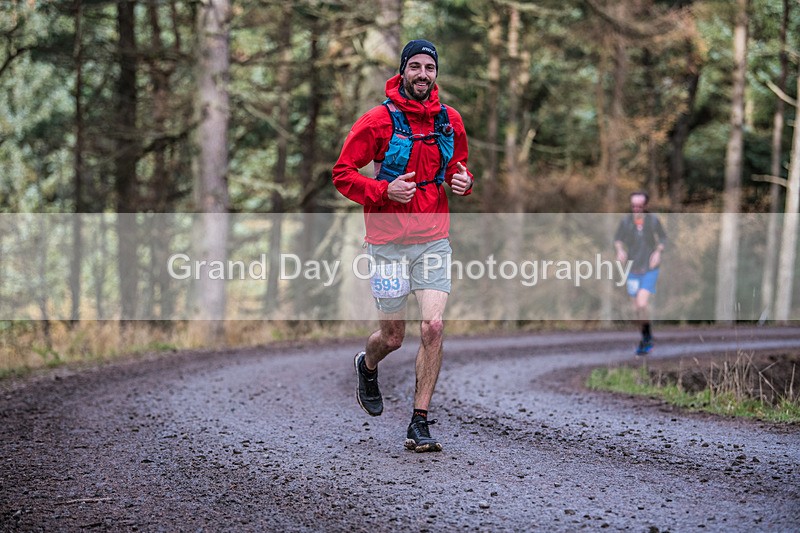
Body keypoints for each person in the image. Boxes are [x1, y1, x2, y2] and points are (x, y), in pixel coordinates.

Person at [332, 40, 473, 452]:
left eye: (430, 67)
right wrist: (382, 190)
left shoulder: (450, 120)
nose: (423, 74)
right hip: (388, 242)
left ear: (436, 74)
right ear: (402, 71)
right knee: (393, 337)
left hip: (433, 238)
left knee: (433, 326)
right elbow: (342, 174)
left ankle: (420, 421)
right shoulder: (377, 120)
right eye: (415, 67)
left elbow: (458, 168)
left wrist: (464, 183)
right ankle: (368, 363)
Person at [614, 192, 667, 355]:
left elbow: (664, 238)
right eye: (633, 206)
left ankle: (647, 340)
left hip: (649, 269)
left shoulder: (653, 220)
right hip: (632, 270)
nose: (636, 209)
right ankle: (646, 336)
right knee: (636, 309)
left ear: (646, 206)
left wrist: (658, 251)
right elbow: (617, 239)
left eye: (639, 206)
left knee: (642, 303)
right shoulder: (626, 221)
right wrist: (620, 250)